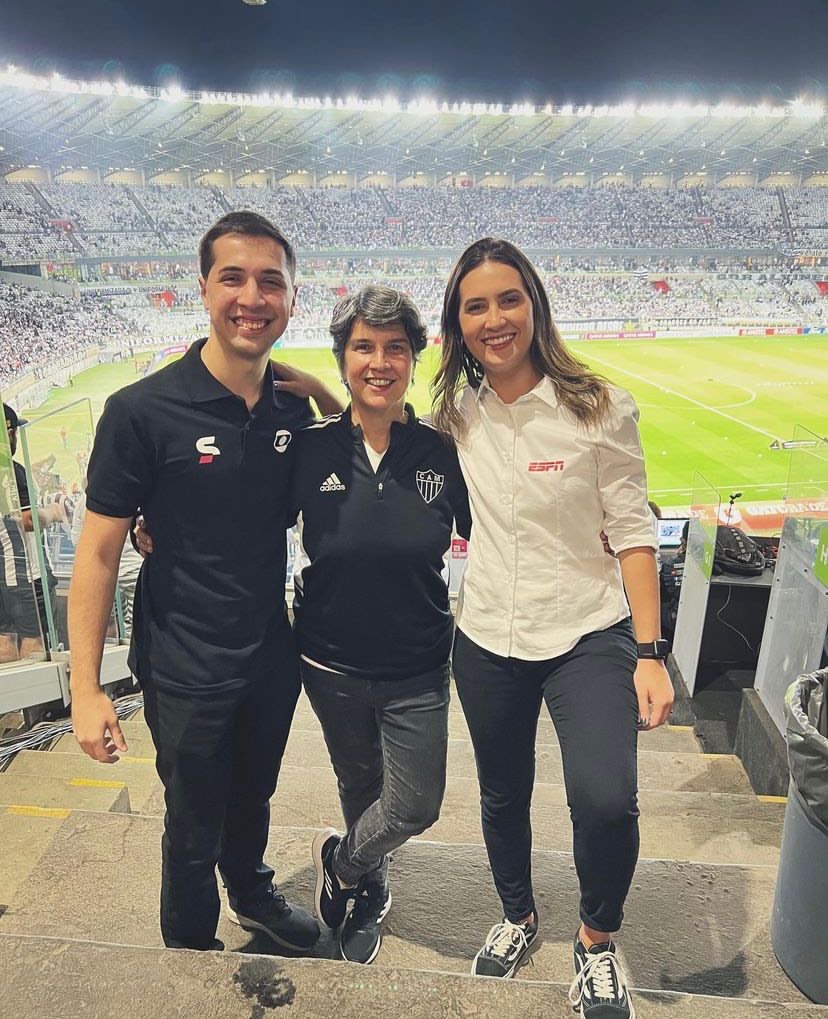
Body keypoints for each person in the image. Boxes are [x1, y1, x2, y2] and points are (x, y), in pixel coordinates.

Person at [68, 211, 341, 953]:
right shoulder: (141, 411)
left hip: (269, 654)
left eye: (271, 282)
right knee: (192, 821)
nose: (252, 296)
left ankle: (251, 895)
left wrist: (322, 387)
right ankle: (189, 950)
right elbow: (96, 554)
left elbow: (361, 459)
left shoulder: (295, 411)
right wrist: (86, 689)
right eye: (234, 278)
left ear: (291, 297)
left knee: (253, 797)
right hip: (185, 663)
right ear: (203, 289)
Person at [432, 238, 673, 1017]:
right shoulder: (454, 418)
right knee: (501, 795)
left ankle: (596, 940)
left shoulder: (597, 407)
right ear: (458, 322)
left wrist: (648, 651)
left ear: (535, 305)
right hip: (486, 639)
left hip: (588, 631)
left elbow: (633, 531)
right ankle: (517, 914)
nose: (495, 318)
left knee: (605, 799)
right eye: (477, 305)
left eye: (509, 299)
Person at [292, 286, 470, 964]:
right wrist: (157, 524)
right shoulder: (308, 451)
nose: (379, 360)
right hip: (329, 664)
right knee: (360, 787)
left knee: (415, 803)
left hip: (419, 664)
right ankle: (370, 890)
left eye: (395, 347)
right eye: (363, 345)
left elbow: (504, 532)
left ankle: (342, 863)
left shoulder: (440, 453)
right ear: (343, 357)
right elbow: (242, 517)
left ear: (413, 358)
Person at [1, 403, 66, 661]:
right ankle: (37, 702)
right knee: (34, 642)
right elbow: (25, 520)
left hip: (6, 574)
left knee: (5, 639)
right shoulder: (11, 472)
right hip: (25, 573)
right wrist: (52, 512)